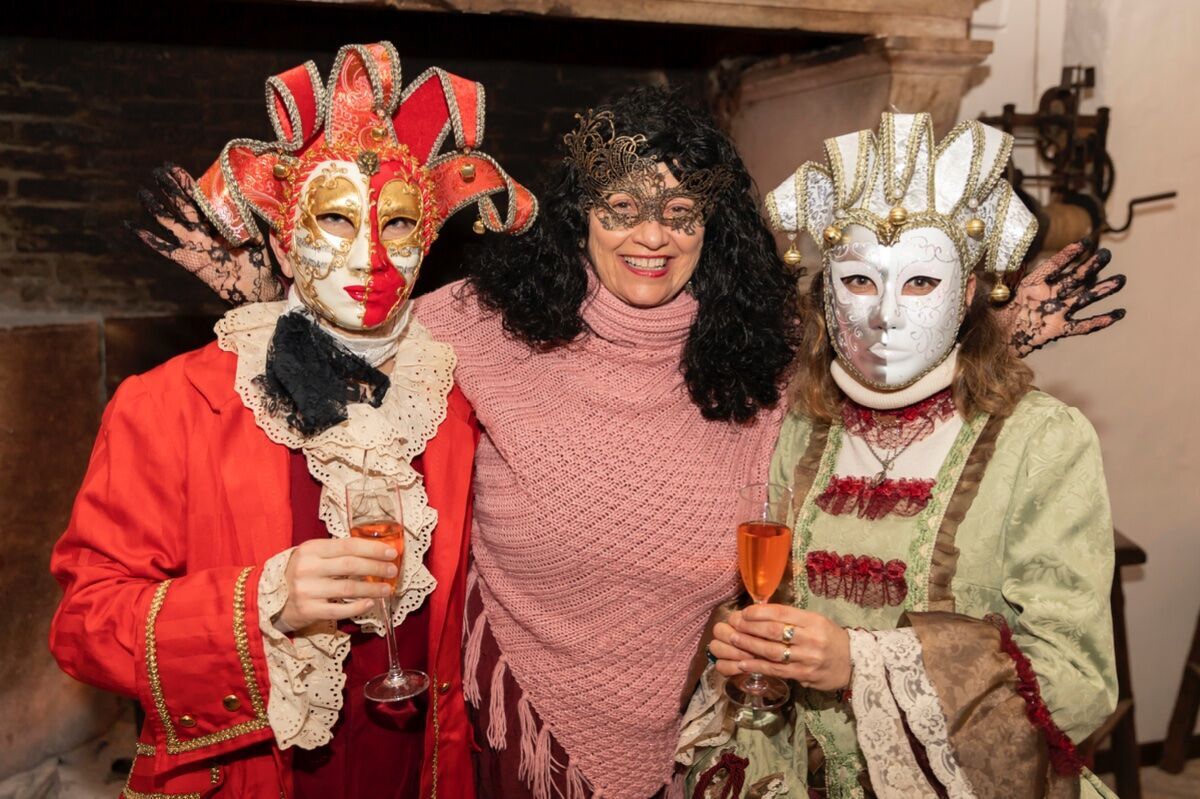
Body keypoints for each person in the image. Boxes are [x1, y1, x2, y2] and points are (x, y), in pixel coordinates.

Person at [137, 89, 1125, 799]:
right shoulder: (480, 320)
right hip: (512, 735)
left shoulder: (769, 352)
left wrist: (1001, 327)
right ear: (580, 218)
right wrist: (263, 298)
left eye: (680, 211)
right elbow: (354, 373)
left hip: (710, 739)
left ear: (713, 226)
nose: (650, 235)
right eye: (621, 207)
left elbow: (886, 391)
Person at [49, 42, 535, 799]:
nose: (372, 256)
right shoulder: (169, 403)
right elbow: (83, 625)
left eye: (399, 225)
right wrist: (260, 600)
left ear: (428, 239)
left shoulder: (453, 402)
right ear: (281, 236)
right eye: (337, 219)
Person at [683, 112, 1118, 799]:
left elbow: (1076, 683)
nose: (885, 314)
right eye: (859, 280)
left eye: (920, 282)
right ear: (826, 291)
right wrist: (752, 645)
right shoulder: (802, 427)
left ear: (970, 290)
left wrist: (862, 663)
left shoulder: (1043, 441)